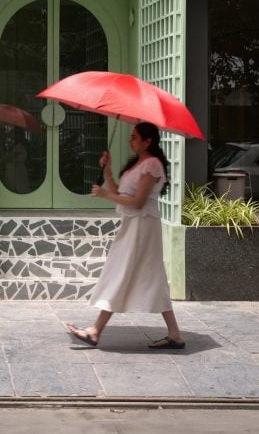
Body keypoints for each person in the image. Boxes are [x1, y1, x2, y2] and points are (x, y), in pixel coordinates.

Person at [67, 121, 186, 350]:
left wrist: (104, 195)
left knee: (123, 271)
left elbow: (137, 202)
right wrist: (107, 171)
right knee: (148, 275)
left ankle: (95, 330)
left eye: (134, 137)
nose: (129, 140)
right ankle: (175, 334)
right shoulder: (137, 164)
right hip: (132, 225)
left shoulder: (152, 165)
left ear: (147, 141)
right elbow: (119, 192)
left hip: (143, 226)